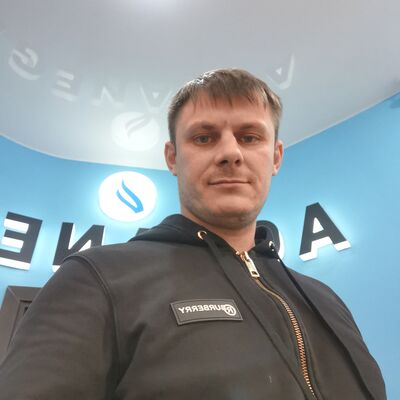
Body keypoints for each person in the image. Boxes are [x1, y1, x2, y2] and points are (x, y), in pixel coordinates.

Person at [0, 69, 386, 399]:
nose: (230, 153)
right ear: (173, 158)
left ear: (276, 157)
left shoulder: (325, 300)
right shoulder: (97, 278)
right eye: (204, 137)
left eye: (249, 137)